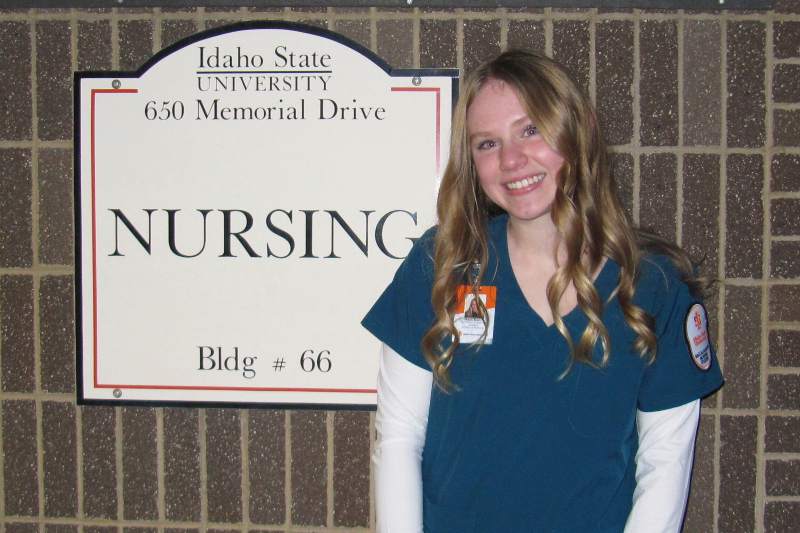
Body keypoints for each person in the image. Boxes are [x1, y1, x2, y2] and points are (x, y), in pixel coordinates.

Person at [362, 50, 723, 533]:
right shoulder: (442, 265)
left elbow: (666, 461)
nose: (511, 160)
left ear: (580, 131)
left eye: (531, 130)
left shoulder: (654, 286)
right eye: (487, 143)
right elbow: (399, 435)